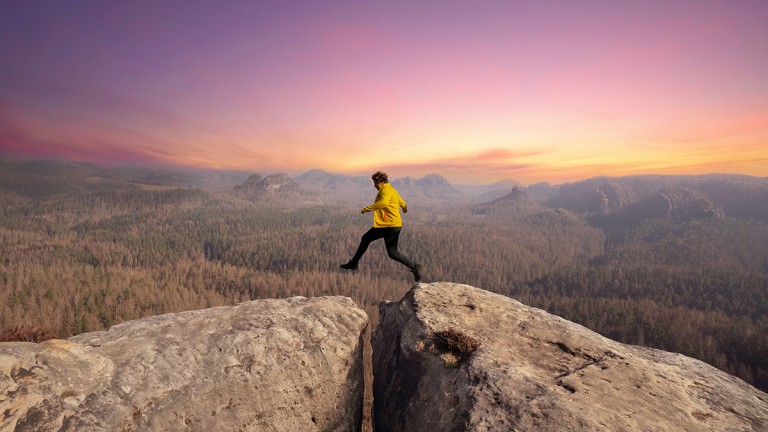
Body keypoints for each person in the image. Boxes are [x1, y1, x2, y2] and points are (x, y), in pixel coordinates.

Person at [341, 171, 422, 282]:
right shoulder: (392, 190)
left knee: (366, 238)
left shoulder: (385, 190)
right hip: (395, 225)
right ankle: (414, 267)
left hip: (387, 225)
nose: (374, 185)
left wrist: (366, 209)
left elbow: (383, 203)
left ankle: (353, 264)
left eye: (375, 183)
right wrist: (404, 209)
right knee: (392, 253)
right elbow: (403, 203)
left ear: (381, 182)